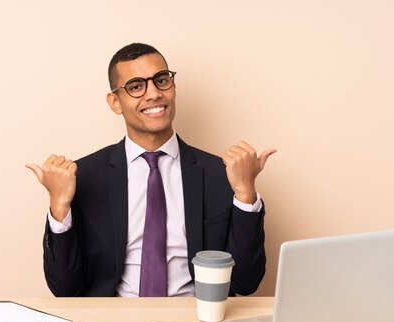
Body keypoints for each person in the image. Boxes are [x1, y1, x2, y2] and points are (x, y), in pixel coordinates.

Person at [26, 43, 276, 297]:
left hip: (197, 320)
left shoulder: (220, 174)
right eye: (136, 86)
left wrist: (245, 194)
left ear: (173, 87)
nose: (154, 94)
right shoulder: (85, 176)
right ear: (115, 102)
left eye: (161, 80)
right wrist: (59, 205)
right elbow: (64, 288)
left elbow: (245, 283)